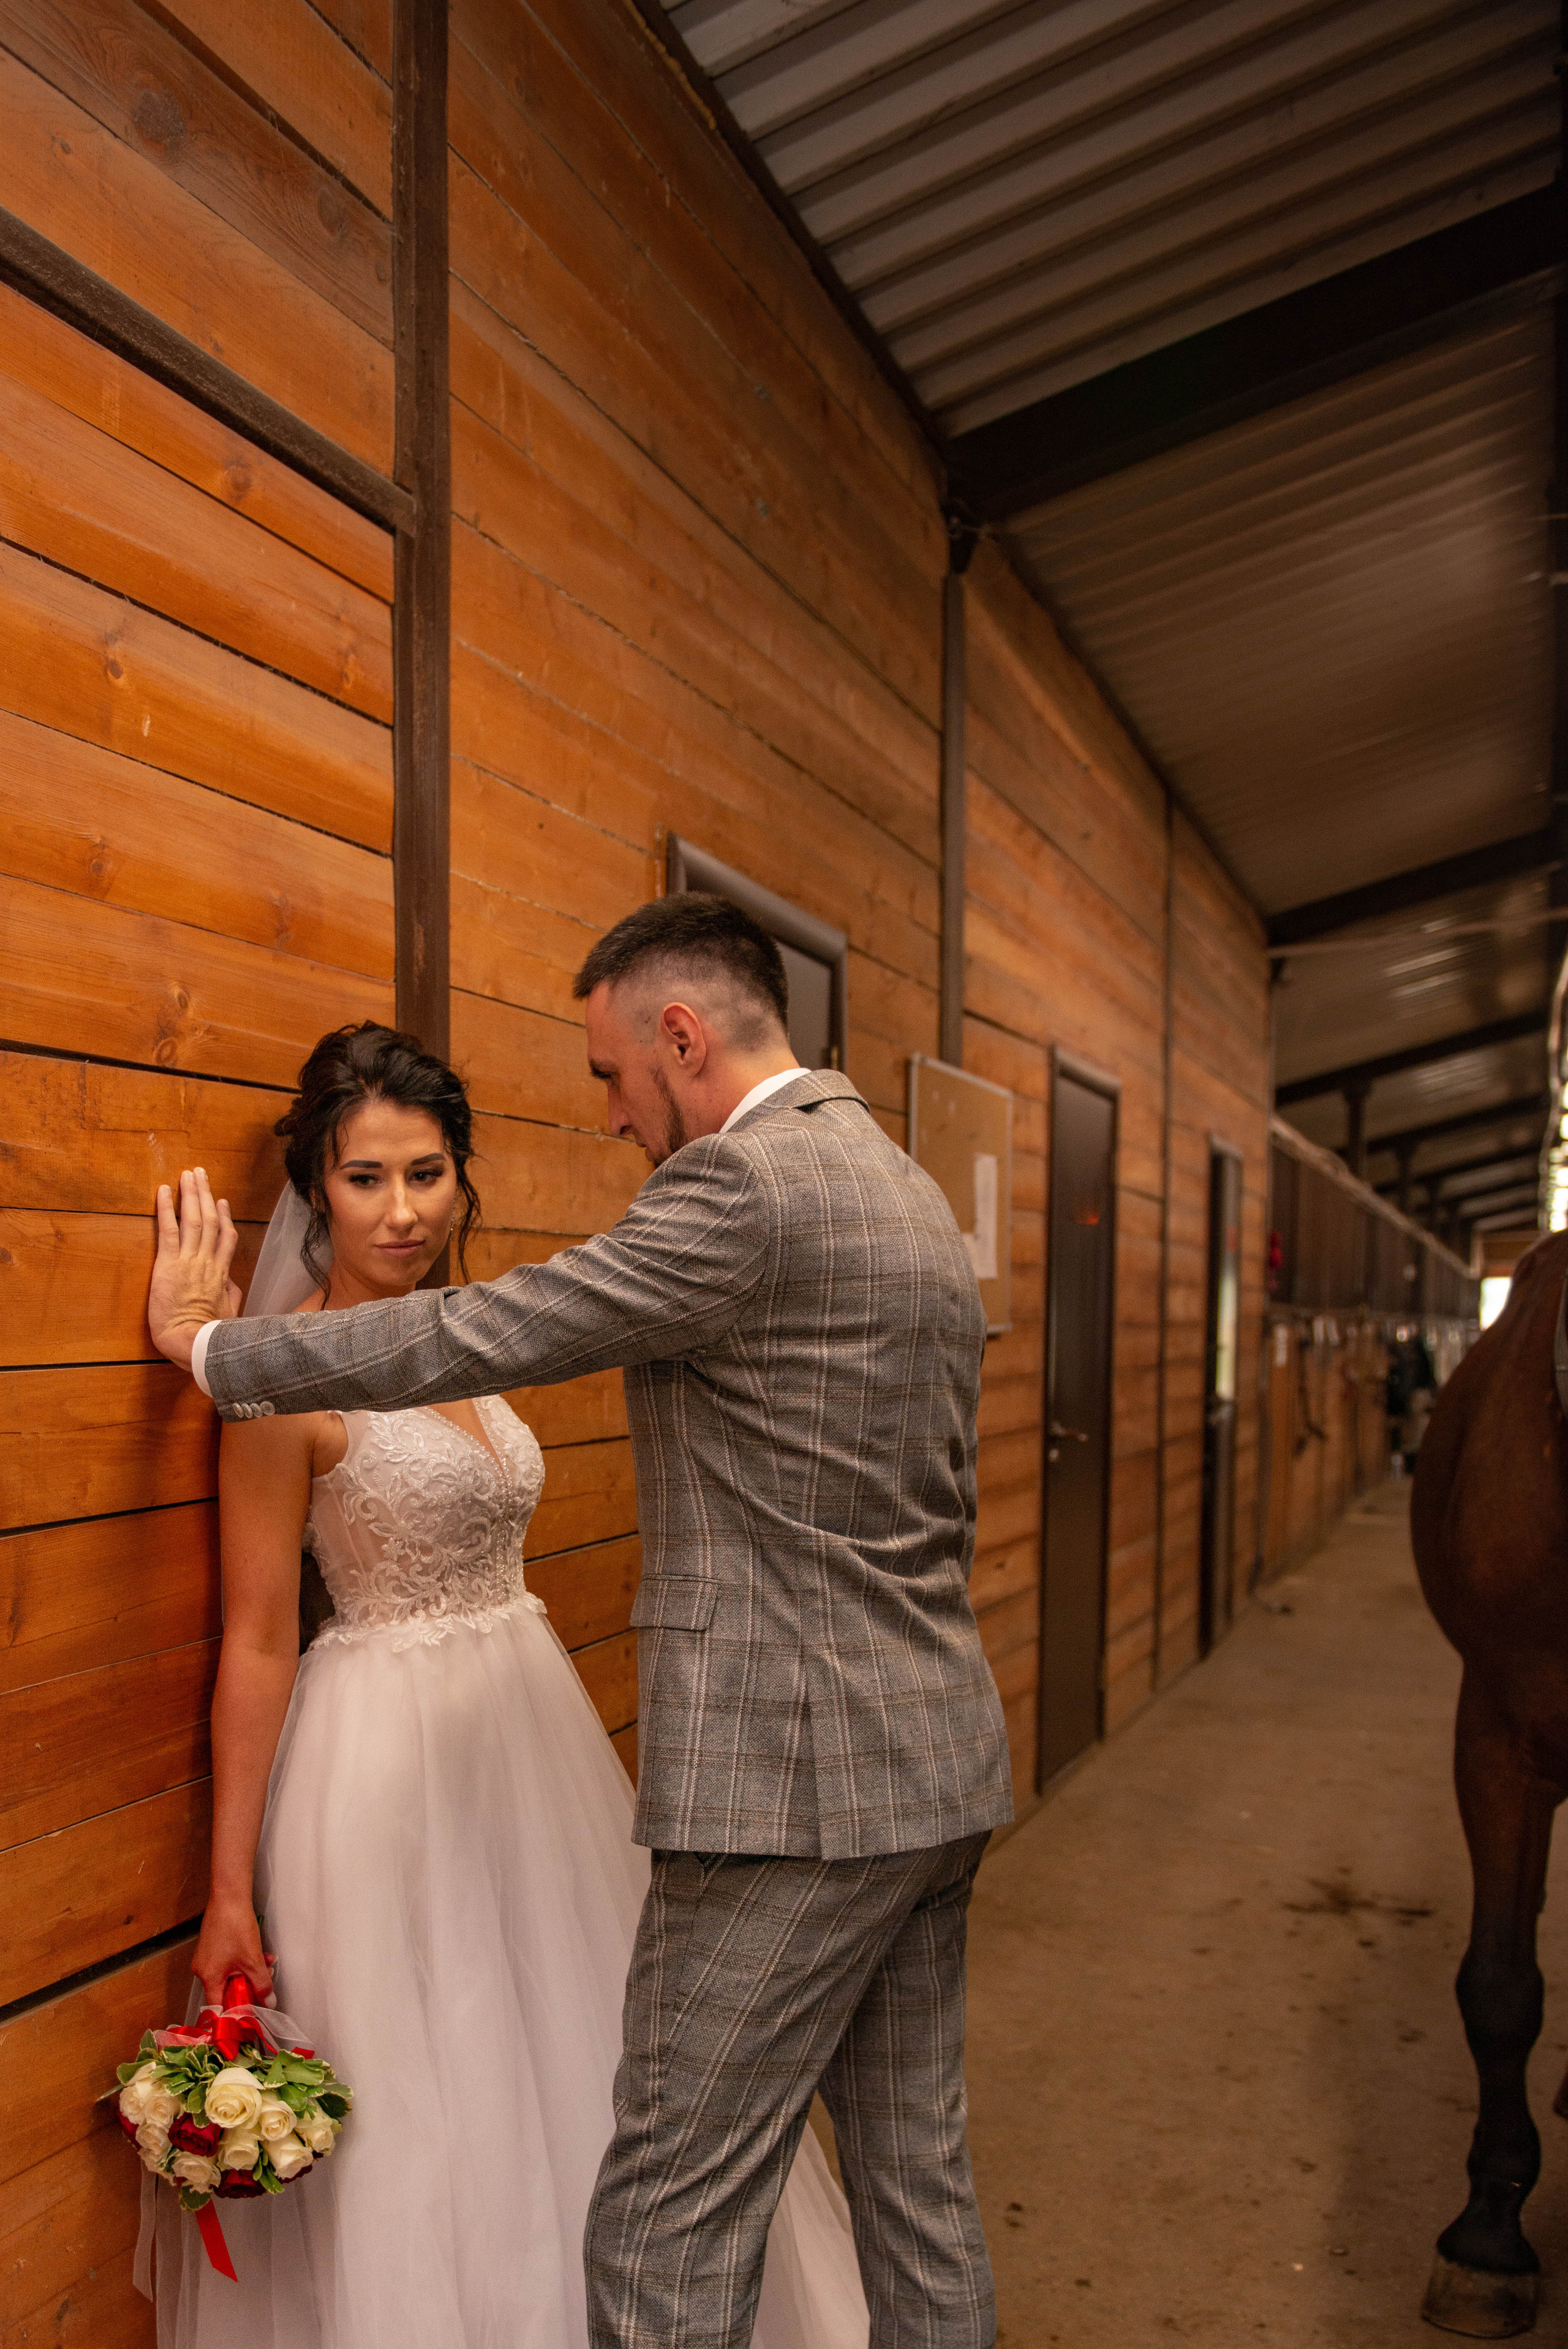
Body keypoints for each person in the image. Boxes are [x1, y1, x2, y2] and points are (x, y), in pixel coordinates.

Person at [149, 894, 1013, 2349]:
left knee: (669, 2213)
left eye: (613, 1073)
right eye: (365, 1177)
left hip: (790, 1790)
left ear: (680, 1036)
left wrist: (213, 1346)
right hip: (932, 1757)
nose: (611, 1112)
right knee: (916, 2187)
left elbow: (494, 1325)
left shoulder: (740, 1187)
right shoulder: (899, 1181)